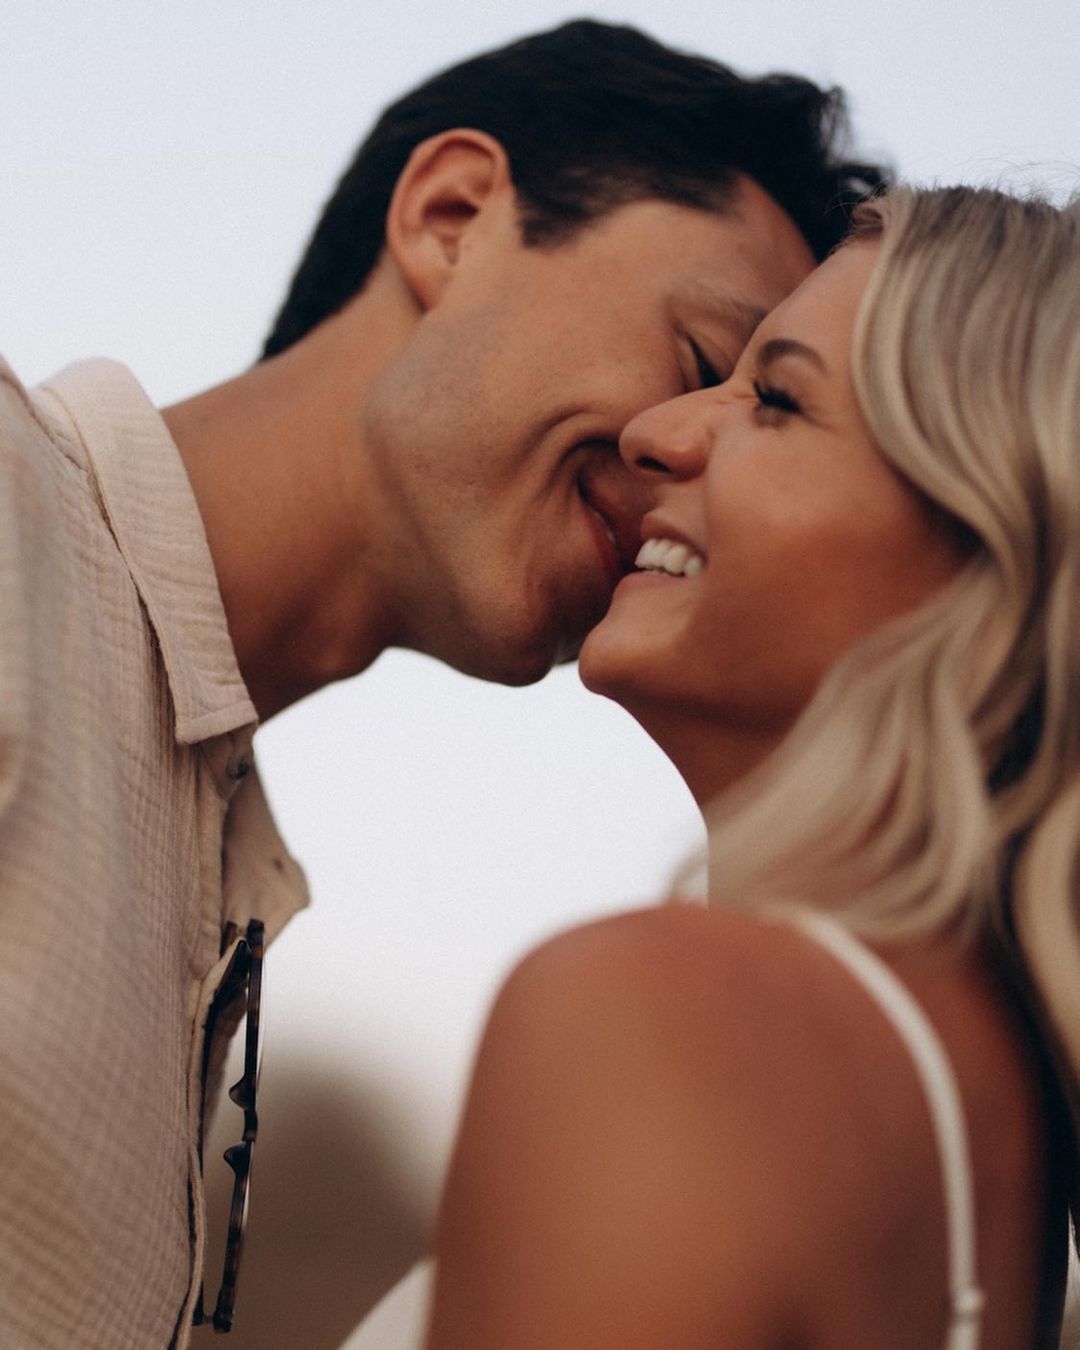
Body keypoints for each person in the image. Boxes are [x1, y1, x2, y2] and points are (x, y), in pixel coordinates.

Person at [0, 18, 885, 1350]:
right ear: (453, 216)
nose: (693, 460)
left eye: (775, 423)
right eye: (710, 367)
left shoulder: (211, 845)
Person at [372, 185, 1078, 1350]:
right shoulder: (1006, 1132)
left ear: (998, 551)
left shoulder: (661, 1022)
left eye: (778, 399)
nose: (658, 431)